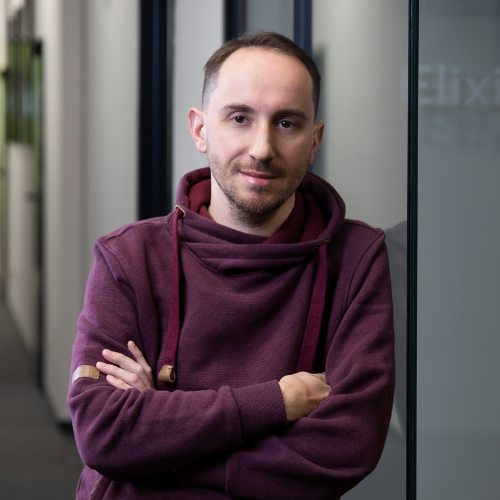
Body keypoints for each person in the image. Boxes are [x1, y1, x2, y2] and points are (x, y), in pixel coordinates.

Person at [68, 32, 394, 500]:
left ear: (314, 141)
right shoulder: (129, 257)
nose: (262, 147)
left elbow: (346, 447)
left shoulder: (356, 258)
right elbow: (103, 433)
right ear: (200, 130)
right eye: (240, 118)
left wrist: (159, 447)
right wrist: (279, 401)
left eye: (286, 123)